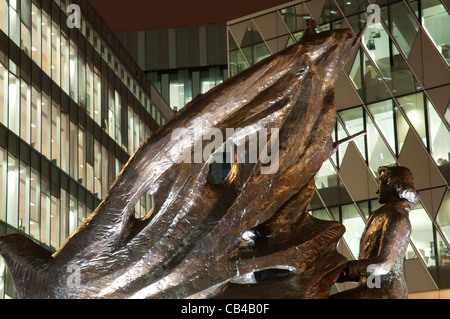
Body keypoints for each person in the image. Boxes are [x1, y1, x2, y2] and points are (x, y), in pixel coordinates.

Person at [330, 166, 419, 299]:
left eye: (381, 183)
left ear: (391, 185)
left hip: (383, 293)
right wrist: (336, 273)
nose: (378, 190)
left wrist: (346, 268)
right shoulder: (378, 216)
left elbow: (383, 265)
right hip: (372, 287)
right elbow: (369, 273)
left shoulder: (398, 218)